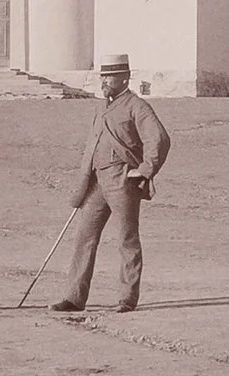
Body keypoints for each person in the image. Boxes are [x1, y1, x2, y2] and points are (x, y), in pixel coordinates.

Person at [50, 52, 170, 314]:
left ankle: (127, 298)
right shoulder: (101, 107)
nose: (104, 80)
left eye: (111, 76)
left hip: (122, 180)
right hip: (96, 182)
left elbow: (158, 138)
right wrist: (83, 181)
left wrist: (145, 170)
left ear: (125, 78)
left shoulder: (137, 106)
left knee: (127, 239)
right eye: (103, 75)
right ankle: (74, 298)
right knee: (84, 237)